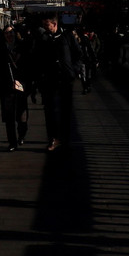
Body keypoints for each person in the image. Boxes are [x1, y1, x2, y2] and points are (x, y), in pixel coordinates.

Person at [30, 13, 81, 152]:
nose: (45, 28)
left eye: (47, 25)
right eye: (44, 25)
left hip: (65, 80)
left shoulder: (67, 36)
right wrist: (37, 79)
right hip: (48, 80)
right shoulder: (42, 38)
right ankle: (53, 138)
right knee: (50, 112)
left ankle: (65, 139)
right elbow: (35, 59)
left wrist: (73, 71)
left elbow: (78, 55)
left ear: (55, 24)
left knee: (65, 111)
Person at [0, 25, 30, 151]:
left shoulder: (23, 47)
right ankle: (12, 142)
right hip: (6, 86)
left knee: (22, 115)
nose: (9, 35)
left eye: (11, 32)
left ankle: (22, 133)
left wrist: (29, 84)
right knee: (9, 117)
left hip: (21, 85)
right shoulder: (1, 49)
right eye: (7, 33)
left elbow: (30, 66)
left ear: (15, 33)